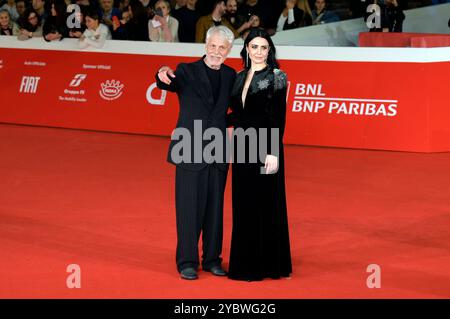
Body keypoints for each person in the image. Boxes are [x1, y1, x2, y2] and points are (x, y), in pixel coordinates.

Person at [155, 25, 236, 280]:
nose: (216, 51)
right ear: (205, 45)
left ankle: (212, 259)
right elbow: (165, 82)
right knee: (189, 208)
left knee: (215, 209)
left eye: (222, 47)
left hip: (219, 150)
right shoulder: (186, 71)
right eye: (212, 46)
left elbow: (236, 110)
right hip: (189, 148)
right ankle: (187, 261)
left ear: (228, 50)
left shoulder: (231, 75)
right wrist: (161, 73)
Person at [227, 27, 292, 281]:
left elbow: (278, 117)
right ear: (246, 49)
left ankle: (270, 264)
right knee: (244, 203)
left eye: (263, 47)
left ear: (270, 50)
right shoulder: (239, 76)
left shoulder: (277, 76)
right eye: (254, 47)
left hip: (267, 147)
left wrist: (273, 151)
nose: (258, 52)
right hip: (243, 146)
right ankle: (245, 263)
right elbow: (238, 115)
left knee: (268, 202)